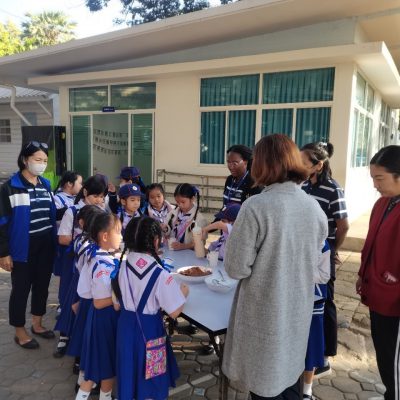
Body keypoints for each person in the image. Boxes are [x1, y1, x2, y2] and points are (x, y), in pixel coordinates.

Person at [222, 134, 328, 399]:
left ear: (261, 164)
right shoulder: (314, 207)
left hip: (264, 315)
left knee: (264, 384)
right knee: (290, 379)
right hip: (297, 310)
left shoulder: (256, 207)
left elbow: (236, 268)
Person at [111, 216, 188, 400]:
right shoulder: (160, 274)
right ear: (155, 241)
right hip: (150, 332)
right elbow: (174, 311)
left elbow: (116, 304)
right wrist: (184, 292)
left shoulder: (122, 266)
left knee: (128, 372)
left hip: (125, 330)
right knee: (152, 379)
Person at [0, 141, 57, 349]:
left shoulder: (45, 184)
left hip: (45, 244)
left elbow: (50, 213)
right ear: (25, 160)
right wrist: (3, 253)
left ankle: (37, 324)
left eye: (45, 160)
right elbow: (2, 222)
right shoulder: (9, 187)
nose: (41, 164)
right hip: (22, 248)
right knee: (21, 290)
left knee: (42, 286)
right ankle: (19, 331)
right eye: (37, 159)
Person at [300, 142, 349, 376]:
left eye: (304, 163)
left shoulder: (333, 189)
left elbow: (343, 225)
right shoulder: (302, 186)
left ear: (318, 165)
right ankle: (310, 349)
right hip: (304, 251)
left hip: (322, 251)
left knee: (325, 301)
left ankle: (326, 357)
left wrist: (333, 249)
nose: (299, 166)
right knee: (309, 300)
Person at [356, 145, 400, 400]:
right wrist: (362, 273)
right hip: (378, 295)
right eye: (373, 178)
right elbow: (371, 243)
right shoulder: (383, 204)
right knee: (384, 353)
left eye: (379, 178)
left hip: (395, 302)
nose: (375, 185)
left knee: (395, 361)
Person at [76, 212, 122, 400]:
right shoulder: (103, 266)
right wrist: (119, 300)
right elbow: (99, 301)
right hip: (105, 320)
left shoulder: (95, 255)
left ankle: (103, 396)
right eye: (118, 232)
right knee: (104, 367)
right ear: (105, 236)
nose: (121, 236)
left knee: (99, 366)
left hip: (98, 319)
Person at [53, 205, 104, 358]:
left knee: (75, 315)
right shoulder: (86, 243)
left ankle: (71, 345)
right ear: (82, 223)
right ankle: (73, 348)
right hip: (82, 284)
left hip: (80, 282)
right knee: (76, 315)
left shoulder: (84, 239)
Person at [303, 240, 331, 399]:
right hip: (293, 299)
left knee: (311, 346)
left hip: (314, 301)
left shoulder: (322, 244)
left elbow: (324, 276)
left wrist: (301, 272)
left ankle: (307, 389)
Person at [53, 171, 83, 278]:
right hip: (64, 243)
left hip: (75, 242)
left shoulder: (77, 199)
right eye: (80, 183)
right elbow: (55, 216)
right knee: (65, 274)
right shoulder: (57, 198)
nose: (81, 186)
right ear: (69, 184)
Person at [165, 183, 208, 251]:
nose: (180, 205)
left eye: (183, 202)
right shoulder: (173, 213)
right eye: (177, 202)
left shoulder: (200, 219)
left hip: (189, 254)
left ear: (192, 199)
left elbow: (200, 242)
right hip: (173, 251)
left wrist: (184, 246)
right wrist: (165, 229)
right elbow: (168, 228)